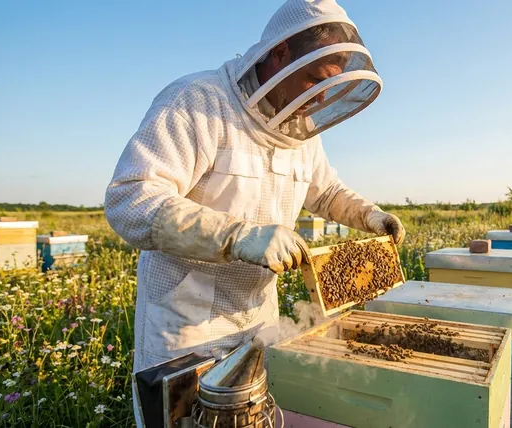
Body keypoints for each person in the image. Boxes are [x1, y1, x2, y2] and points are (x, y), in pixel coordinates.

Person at [103, 0, 405, 424]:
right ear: (279, 54)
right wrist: (237, 236)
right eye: (315, 80)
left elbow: (326, 190)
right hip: (186, 334)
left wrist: (368, 215)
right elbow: (131, 200)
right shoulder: (198, 103)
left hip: (257, 327)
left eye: (328, 88)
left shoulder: (300, 132)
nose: (319, 97)